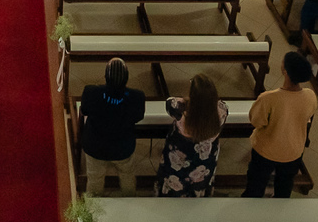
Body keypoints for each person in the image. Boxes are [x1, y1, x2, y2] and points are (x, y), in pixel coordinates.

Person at [243, 51, 317, 198]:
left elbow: (256, 121)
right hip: (293, 151)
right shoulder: (310, 95)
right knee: (285, 185)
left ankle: (250, 209)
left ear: (285, 71)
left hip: (266, 151)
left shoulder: (269, 98)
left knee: (256, 184)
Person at [79, 59, 145, 196]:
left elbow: (84, 110)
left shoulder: (91, 92)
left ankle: (94, 207)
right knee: (127, 177)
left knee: (95, 180)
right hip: (123, 148)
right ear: (126, 78)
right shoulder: (137, 97)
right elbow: (138, 117)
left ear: (106, 77)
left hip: (95, 147)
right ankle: (130, 201)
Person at [155, 73, 227, 197]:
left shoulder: (180, 109)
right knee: (200, 180)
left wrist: (188, 100)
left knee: (175, 180)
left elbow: (169, 101)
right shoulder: (222, 110)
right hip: (205, 158)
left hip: (181, 154)